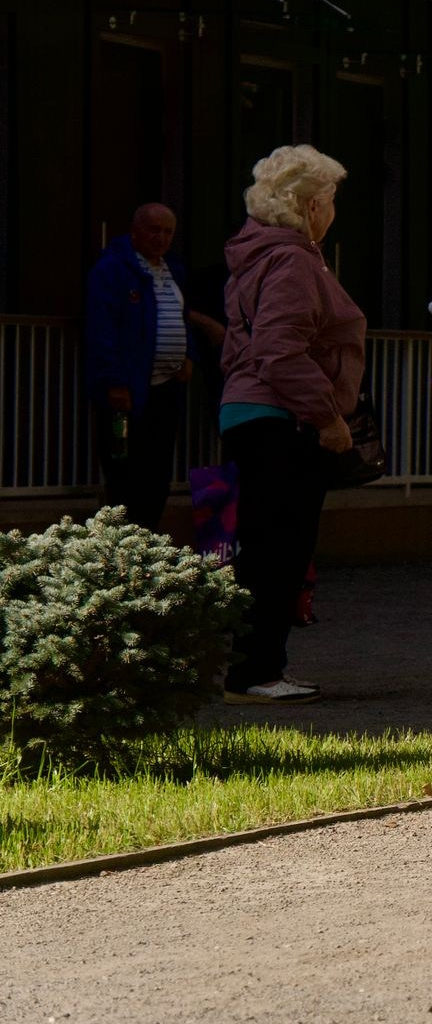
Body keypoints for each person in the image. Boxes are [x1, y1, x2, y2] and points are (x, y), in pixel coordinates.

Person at [218, 148, 366, 704]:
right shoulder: (294, 260)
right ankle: (257, 672)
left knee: (260, 546)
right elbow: (279, 350)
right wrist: (327, 416)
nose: (332, 213)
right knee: (278, 548)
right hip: (279, 421)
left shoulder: (254, 255)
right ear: (308, 204)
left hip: (248, 411)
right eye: (329, 202)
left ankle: (254, 667)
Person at [83, 202, 221, 535]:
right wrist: (115, 383)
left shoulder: (174, 269)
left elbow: (181, 315)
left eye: (167, 231)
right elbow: (102, 331)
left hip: (166, 388)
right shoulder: (113, 269)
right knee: (122, 464)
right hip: (125, 395)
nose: (161, 238)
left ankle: (148, 538)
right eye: (153, 230)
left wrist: (189, 356)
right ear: (135, 230)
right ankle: (120, 540)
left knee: (157, 468)